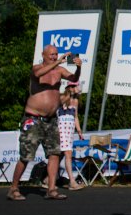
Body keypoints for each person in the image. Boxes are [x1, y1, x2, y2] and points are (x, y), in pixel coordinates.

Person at [7, 45, 80, 201]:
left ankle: (52, 189)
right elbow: (39, 73)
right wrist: (58, 62)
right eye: (51, 55)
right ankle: (13, 188)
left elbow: (73, 79)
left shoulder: (59, 71)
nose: (54, 57)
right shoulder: (36, 69)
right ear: (44, 55)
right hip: (33, 119)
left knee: (54, 153)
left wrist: (78, 68)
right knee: (26, 156)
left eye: (56, 55)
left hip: (52, 119)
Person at [56, 81, 85, 190]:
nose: (76, 88)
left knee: (60, 155)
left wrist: (79, 130)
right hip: (61, 129)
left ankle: (47, 180)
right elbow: (61, 103)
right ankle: (72, 182)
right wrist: (70, 93)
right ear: (69, 87)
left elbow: (76, 116)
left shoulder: (76, 101)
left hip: (70, 130)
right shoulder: (63, 97)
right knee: (68, 153)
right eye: (74, 86)